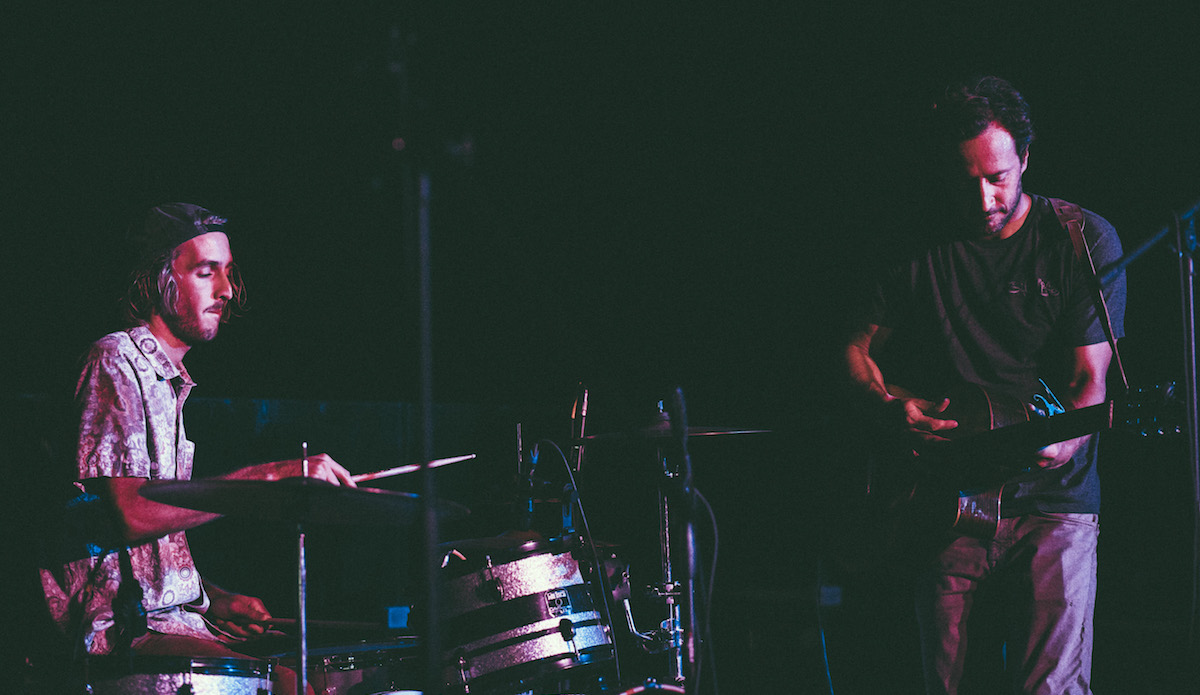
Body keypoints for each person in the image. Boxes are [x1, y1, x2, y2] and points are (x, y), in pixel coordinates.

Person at [841, 76, 1126, 694]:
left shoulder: (1079, 239)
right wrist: (887, 406)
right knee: (948, 683)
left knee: (1051, 687)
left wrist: (1066, 443)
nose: (982, 198)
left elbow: (1089, 378)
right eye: (964, 179)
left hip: (1054, 503)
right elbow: (855, 348)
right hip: (948, 494)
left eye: (997, 177)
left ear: (1025, 158)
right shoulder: (913, 242)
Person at [38, 202, 356, 694]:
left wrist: (211, 599)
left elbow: (139, 552)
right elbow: (131, 514)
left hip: (171, 617)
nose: (227, 290)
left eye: (228, 273)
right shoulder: (115, 361)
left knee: (324, 671)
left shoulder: (168, 382)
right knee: (288, 685)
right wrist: (271, 477)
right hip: (117, 631)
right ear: (160, 282)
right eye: (207, 272)